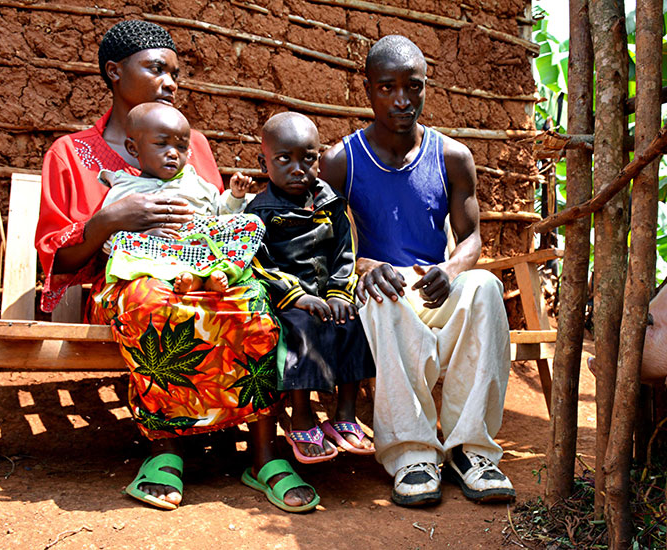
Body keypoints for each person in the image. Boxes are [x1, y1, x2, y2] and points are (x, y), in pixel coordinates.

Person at [35, 19, 317, 513]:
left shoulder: (195, 145)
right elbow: (57, 257)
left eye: (176, 73)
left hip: (197, 270)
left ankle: (264, 454)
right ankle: (166, 452)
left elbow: (209, 215)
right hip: (125, 286)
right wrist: (109, 220)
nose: (171, 82)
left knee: (252, 302)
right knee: (153, 304)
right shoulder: (71, 154)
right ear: (114, 72)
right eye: (156, 69)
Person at [320, 35, 516, 506]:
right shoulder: (340, 161)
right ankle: (412, 454)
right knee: (380, 295)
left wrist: (451, 269)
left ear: (428, 87)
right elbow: (323, 242)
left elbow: (471, 238)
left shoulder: (452, 156)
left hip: (435, 283)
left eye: (414, 86)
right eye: (387, 87)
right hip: (379, 285)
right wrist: (365, 265)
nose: (402, 100)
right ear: (367, 89)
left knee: (486, 285)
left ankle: (471, 451)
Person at [246, 112, 375, 463]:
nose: (298, 168)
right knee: (301, 327)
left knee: (353, 321)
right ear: (264, 162)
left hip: (327, 295)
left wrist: (337, 293)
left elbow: (345, 253)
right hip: (287, 301)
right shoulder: (259, 212)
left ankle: (345, 413)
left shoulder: (330, 204)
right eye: (284, 159)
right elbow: (258, 263)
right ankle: (301, 415)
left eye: (308, 158)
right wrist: (298, 297)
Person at [100, 102, 260, 294]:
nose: (173, 153)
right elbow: (109, 241)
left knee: (252, 224)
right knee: (123, 241)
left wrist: (235, 196)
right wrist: (146, 236)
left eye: (182, 147)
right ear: (133, 149)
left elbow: (221, 214)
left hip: (200, 251)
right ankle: (191, 280)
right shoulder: (124, 188)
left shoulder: (197, 183)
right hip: (157, 255)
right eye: (161, 144)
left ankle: (216, 274)